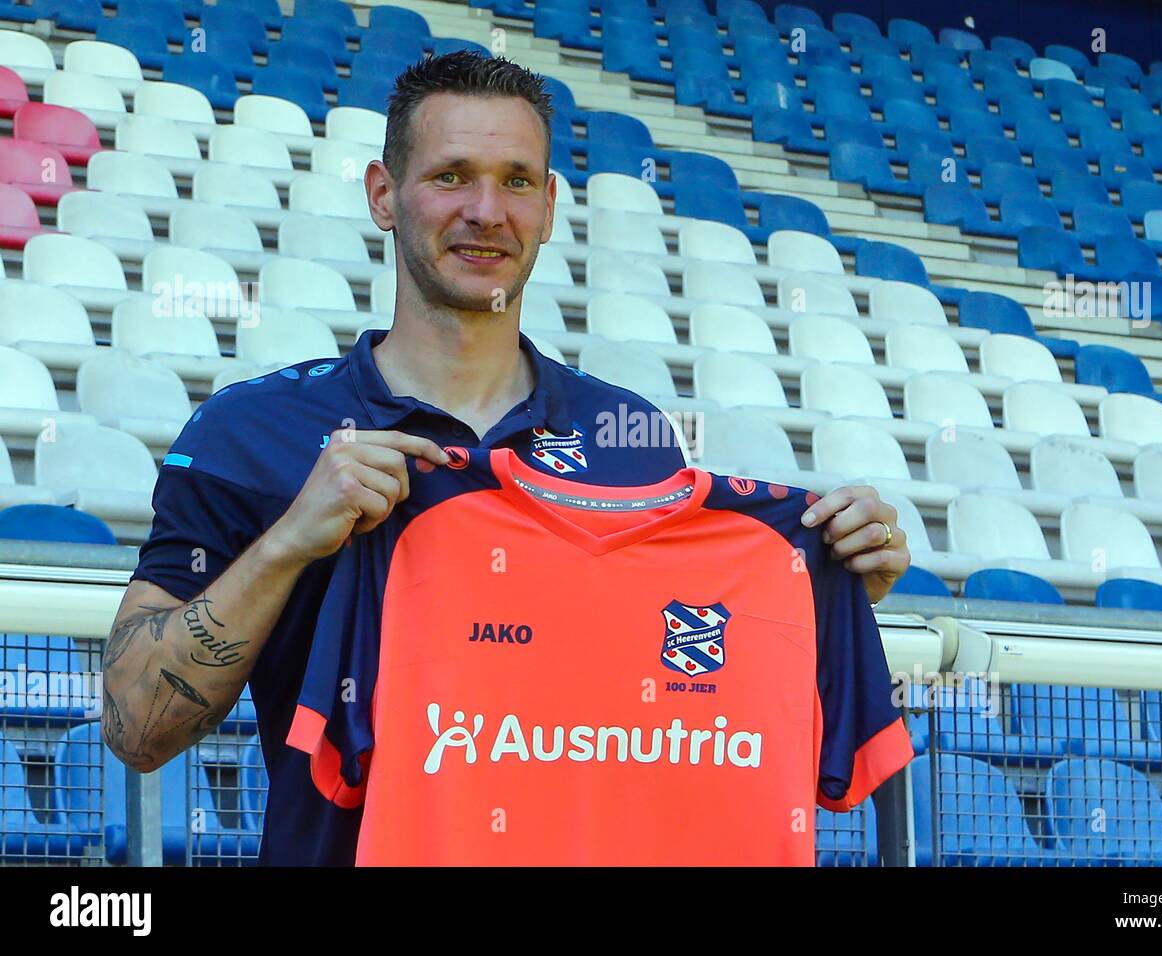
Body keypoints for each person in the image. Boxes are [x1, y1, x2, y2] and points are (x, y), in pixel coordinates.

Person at [103, 51, 911, 865]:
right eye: (451, 176)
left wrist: (819, 586)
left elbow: (670, 696)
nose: (486, 211)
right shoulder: (250, 431)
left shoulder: (629, 438)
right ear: (383, 194)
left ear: (550, 205)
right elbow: (135, 728)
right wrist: (286, 547)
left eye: (517, 181)